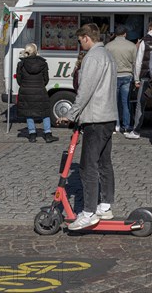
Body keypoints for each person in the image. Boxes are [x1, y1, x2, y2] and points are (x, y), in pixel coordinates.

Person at [57, 23, 118, 230]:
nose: (79, 44)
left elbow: (86, 89)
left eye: (79, 40)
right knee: (104, 163)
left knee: (87, 167)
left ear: (85, 37)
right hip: (108, 116)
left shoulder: (93, 57)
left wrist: (71, 114)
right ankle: (106, 205)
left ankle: (89, 212)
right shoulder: (108, 54)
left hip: (95, 117)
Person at [125, 22, 152, 139]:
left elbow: (138, 62)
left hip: (145, 77)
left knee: (140, 104)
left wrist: (136, 79)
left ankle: (136, 131)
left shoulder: (144, 41)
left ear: (149, 28)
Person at [16, 43, 58, 143]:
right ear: (35, 51)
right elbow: (46, 79)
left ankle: (32, 135)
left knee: (29, 112)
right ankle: (48, 134)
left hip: (26, 91)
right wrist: (40, 85)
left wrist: (25, 85)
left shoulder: (21, 64)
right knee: (45, 112)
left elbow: (19, 80)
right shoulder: (43, 63)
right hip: (40, 90)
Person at [105, 25, 137, 133]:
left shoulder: (108, 46)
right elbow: (135, 63)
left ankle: (115, 125)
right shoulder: (132, 46)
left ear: (115, 34)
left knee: (113, 103)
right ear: (125, 34)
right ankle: (126, 126)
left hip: (113, 76)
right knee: (125, 102)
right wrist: (136, 78)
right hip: (127, 76)